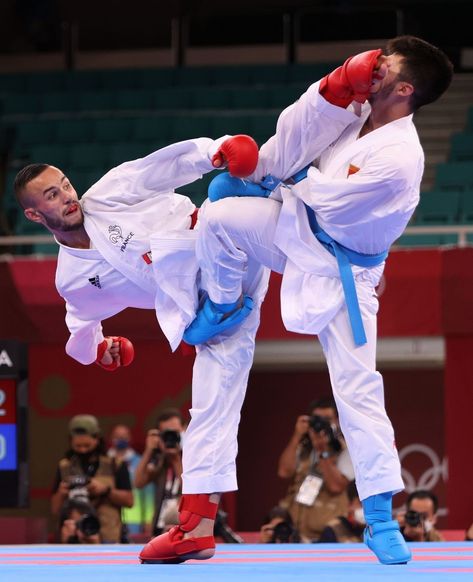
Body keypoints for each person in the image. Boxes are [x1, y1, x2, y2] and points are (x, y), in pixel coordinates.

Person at [140, 36, 453, 565]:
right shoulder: (355, 108)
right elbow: (290, 144)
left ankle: (378, 517)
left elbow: (327, 201)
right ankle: (221, 305)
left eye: (386, 67)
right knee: (217, 218)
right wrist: (329, 92)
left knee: (358, 388)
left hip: (343, 265)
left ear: (405, 89)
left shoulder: (400, 158)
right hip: (297, 228)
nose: (372, 69)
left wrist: (272, 181)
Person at [15, 134, 264, 559]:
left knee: (244, 189)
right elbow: (80, 327)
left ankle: (338, 96)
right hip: (212, 309)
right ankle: (196, 528)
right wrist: (101, 349)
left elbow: (160, 167)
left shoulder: (108, 194)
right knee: (210, 409)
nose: (68, 197)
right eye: (52, 195)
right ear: (35, 214)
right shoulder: (72, 280)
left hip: (222, 242)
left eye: (66, 185)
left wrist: (215, 151)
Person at [278, 397, 355, 541]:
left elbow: (336, 486)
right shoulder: (304, 447)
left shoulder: (347, 449)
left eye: (327, 419)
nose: (322, 423)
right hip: (298, 533)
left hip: (330, 535)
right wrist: (297, 435)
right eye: (317, 419)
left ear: (337, 421)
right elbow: (284, 471)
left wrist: (322, 451)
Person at [50, 414, 134, 543]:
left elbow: (129, 501)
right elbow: (55, 509)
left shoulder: (115, 464)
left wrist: (105, 490)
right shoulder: (64, 466)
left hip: (108, 536)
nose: (83, 450)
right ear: (71, 441)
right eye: (78, 446)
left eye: (87, 446)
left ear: (97, 439)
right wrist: (62, 493)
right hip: (74, 536)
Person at [134, 408, 185, 537]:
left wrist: (176, 460)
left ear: (184, 429)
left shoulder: (194, 457)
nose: (171, 437)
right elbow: (138, 482)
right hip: (159, 529)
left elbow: (190, 491)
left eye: (175, 432)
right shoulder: (160, 460)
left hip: (184, 529)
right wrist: (148, 450)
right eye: (166, 433)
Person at [107, 423, 153, 535]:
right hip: (109, 518)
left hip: (134, 521)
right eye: (117, 436)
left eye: (124, 436)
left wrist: (148, 519)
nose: (121, 439)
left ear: (130, 438)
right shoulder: (104, 462)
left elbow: (148, 493)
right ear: (111, 438)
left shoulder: (140, 462)